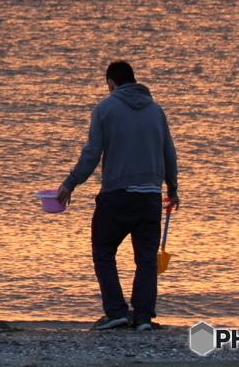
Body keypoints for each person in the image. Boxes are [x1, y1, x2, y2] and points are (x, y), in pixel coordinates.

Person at [56, 61, 179, 331]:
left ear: (111, 83)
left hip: (116, 196)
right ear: (134, 81)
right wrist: (172, 188)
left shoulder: (104, 108)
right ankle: (144, 317)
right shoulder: (156, 111)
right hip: (150, 198)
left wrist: (70, 183)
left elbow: (92, 154)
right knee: (145, 260)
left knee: (103, 252)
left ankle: (116, 312)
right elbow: (169, 153)